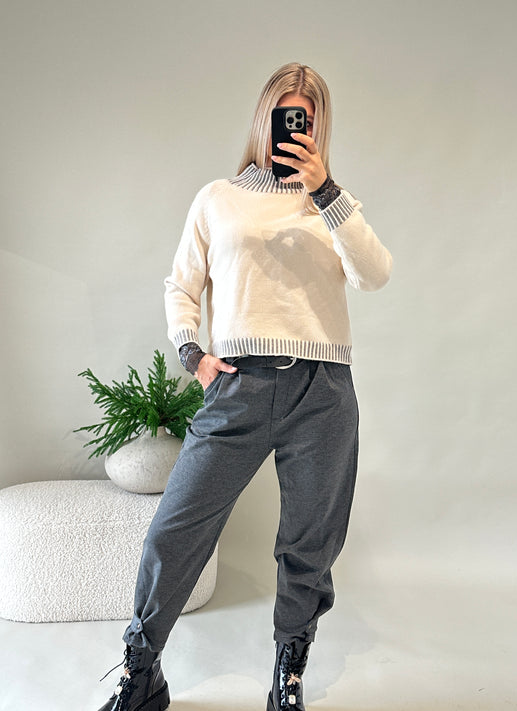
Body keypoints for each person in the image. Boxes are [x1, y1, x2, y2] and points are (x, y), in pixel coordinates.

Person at [97, 62, 392, 711]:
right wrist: (192, 352)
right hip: (238, 386)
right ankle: (142, 672)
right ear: (264, 118)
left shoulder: (332, 204)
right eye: (285, 115)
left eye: (306, 119)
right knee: (175, 530)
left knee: (308, 542)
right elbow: (181, 283)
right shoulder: (218, 198)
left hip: (322, 390)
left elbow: (374, 273)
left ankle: (287, 676)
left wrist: (324, 190)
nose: (294, 128)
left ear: (318, 127)